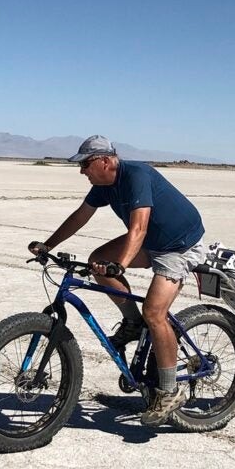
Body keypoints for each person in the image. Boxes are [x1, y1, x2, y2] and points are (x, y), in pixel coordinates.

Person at [28, 135, 206, 426]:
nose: (82, 171)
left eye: (86, 164)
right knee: (98, 261)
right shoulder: (103, 186)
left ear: (106, 161)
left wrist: (120, 265)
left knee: (155, 312)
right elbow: (79, 217)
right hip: (151, 241)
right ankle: (133, 323)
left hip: (179, 246)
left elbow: (138, 228)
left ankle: (170, 391)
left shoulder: (136, 175)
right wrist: (47, 245)